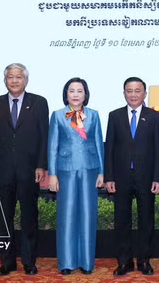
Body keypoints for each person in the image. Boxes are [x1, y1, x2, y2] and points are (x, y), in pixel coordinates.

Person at [0, 63, 48, 276]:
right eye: (10, 77)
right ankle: (7, 262)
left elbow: (43, 137)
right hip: (2, 171)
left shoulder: (38, 103)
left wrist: (41, 164)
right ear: (5, 80)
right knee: (4, 218)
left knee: (29, 217)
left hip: (29, 171)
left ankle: (29, 261)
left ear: (26, 80)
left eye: (19, 77)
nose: (14, 80)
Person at [105, 77, 159, 276]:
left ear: (144, 94)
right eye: (129, 91)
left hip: (146, 177)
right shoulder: (114, 116)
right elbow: (109, 149)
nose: (133, 94)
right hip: (120, 177)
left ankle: (144, 260)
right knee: (122, 220)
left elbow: (158, 150)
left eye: (137, 91)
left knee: (146, 219)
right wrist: (109, 177)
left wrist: (157, 177)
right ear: (124, 93)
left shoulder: (154, 117)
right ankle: (124, 261)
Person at [47, 78, 103, 275]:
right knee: (67, 216)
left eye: (80, 90)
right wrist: (52, 174)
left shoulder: (94, 115)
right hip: (65, 170)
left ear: (85, 94)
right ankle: (66, 262)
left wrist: (102, 172)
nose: (76, 94)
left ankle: (86, 262)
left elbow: (98, 144)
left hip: (89, 169)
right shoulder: (57, 115)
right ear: (66, 94)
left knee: (88, 215)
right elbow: (52, 146)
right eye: (72, 90)